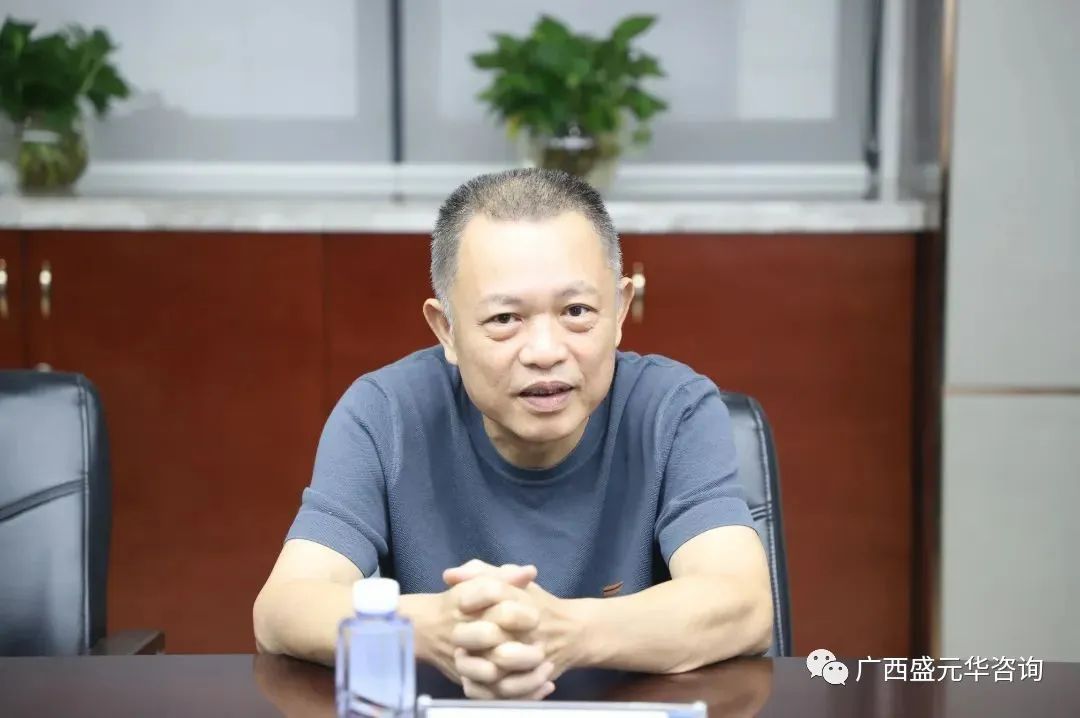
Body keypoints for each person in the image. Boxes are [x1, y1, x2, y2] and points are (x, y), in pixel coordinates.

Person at [253, 168, 774, 700]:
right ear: (447, 329)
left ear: (619, 311)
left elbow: (744, 604)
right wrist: (438, 629)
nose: (545, 351)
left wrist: (565, 634)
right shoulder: (384, 413)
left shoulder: (673, 409)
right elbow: (284, 608)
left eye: (576, 311)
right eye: (505, 318)